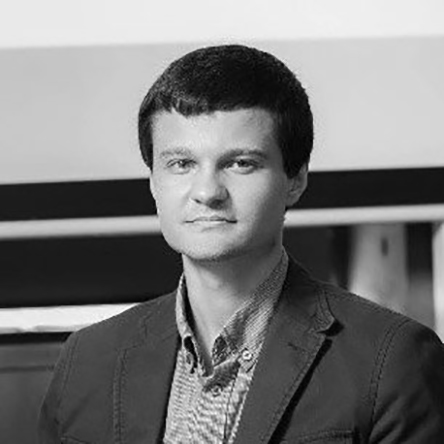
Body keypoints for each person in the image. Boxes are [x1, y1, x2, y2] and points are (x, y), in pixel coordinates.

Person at [39, 44, 444, 444]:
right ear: (153, 182)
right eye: (181, 164)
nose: (207, 192)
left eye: (240, 163)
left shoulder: (391, 359)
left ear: (296, 180)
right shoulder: (87, 360)